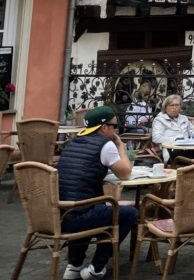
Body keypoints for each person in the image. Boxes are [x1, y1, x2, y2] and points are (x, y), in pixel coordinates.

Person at [57, 106, 139, 280]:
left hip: (59, 216)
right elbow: (125, 173)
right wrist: (121, 147)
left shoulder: (73, 142)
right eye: (115, 127)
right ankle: (96, 267)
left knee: (99, 207)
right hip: (78, 218)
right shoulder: (106, 145)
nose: (117, 130)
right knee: (130, 213)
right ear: (104, 127)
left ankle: (74, 265)